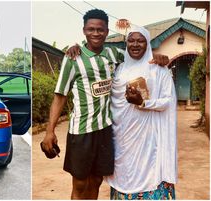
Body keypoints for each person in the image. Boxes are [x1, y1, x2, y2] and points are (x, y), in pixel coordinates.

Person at [41, 9, 169, 200]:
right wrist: (49, 131)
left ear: (107, 32)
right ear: (84, 30)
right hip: (81, 130)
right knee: (80, 183)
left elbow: (139, 56)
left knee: (96, 181)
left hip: (106, 129)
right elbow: (60, 96)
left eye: (100, 30)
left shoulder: (114, 54)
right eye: (91, 29)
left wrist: (159, 57)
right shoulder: (73, 58)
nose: (96, 33)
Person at [105, 26, 177, 200]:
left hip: (149, 137)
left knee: (150, 171)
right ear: (126, 43)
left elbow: (168, 100)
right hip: (122, 137)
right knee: (123, 173)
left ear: (148, 44)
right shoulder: (118, 69)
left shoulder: (158, 69)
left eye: (141, 40)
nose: (135, 44)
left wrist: (144, 103)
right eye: (131, 40)